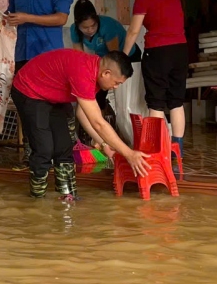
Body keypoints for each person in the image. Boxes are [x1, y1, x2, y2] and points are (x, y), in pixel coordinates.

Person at [10, 48, 149, 201]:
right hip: (29, 90)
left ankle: (68, 195)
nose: (116, 87)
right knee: (44, 149)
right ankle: (37, 200)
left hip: (53, 93)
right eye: (117, 83)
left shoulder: (95, 73)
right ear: (106, 73)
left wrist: (104, 144)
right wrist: (129, 153)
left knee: (64, 146)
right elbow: (98, 123)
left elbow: (83, 114)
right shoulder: (84, 72)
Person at [122, 0, 189, 154]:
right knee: (176, 101)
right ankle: (177, 149)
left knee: (156, 103)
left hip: (158, 52)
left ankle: (159, 150)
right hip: (180, 50)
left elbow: (133, 31)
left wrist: (123, 57)